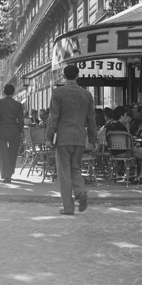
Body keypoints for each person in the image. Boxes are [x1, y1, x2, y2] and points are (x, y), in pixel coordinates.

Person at [46, 64, 97, 215]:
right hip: (80, 138)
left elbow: (53, 117)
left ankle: (68, 207)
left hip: (63, 138)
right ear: (77, 76)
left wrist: (48, 137)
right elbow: (91, 119)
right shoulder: (87, 95)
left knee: (64, 171)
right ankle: (80, 192)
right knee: (75, 168)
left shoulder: (58, 92)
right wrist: (93, 139)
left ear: (63, 75)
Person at [0, 84, 24, 183]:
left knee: (3, 153)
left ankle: (6, 175)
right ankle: (10, 173)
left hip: (1, 130)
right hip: (14, 131)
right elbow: (21, 120)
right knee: (13, 153)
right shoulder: (18, 105)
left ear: (4, 92)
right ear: (13, 92)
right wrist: (19, 130)